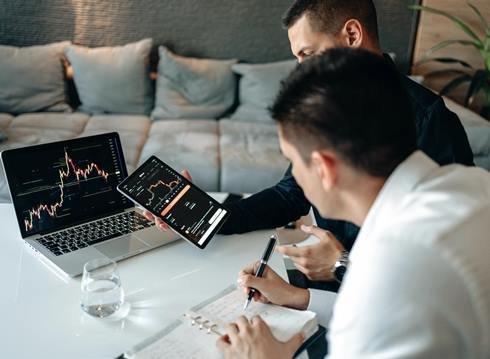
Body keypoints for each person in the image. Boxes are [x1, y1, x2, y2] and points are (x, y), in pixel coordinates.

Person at [145, 0, 475, 288]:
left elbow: (446, 261)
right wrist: (203, 215)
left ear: (352, 35)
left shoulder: (432, 122)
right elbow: (290, 194)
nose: (303, 69)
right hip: (323, 286)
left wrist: (342, 264)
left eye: (308, 53)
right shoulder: (326, 107)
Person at [217, 48, 490, 359]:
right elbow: (378, 313)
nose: (295, 175)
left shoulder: (392, 265)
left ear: (324, 169)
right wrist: (298, 297)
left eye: (293, 161)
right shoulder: (471, 184)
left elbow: (379, 304)